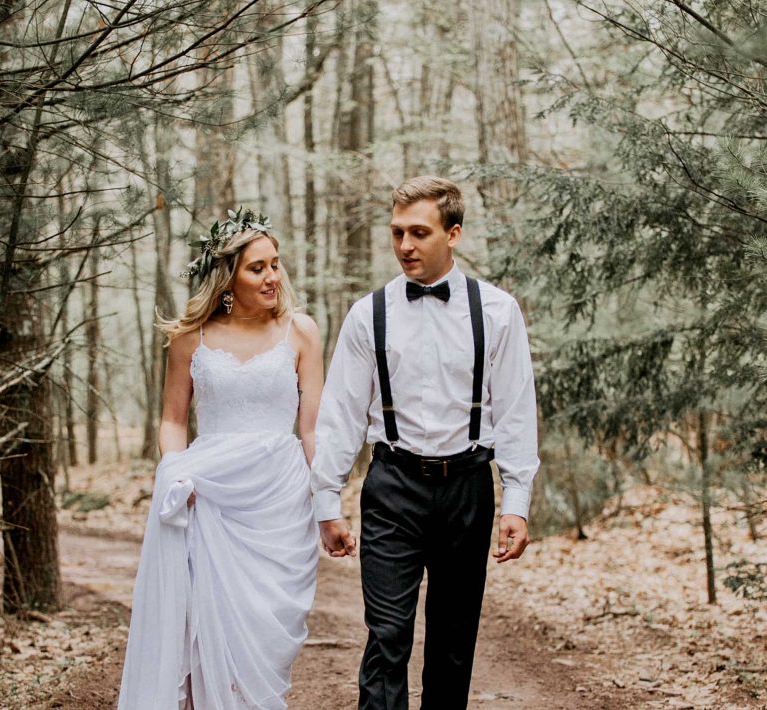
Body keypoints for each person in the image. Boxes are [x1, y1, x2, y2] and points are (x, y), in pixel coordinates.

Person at [311, 176, 539, 709]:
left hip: (468, 489)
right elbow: (341, 414)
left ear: (453, 233)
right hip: (392, 488)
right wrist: (328, 500)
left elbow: (515, 412)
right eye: (397, 233)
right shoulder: (368, 314)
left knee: (453, 646)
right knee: (387, 638)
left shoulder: (498, 312)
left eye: (419, 232)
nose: (405, 246)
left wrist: (518, 502)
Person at [118, 209, 322, 710]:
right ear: (228, 276)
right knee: (202, 628)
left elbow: (313, 428)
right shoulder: (192, 338)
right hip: (208, 494)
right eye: (257, 268)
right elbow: (172, 420)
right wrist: (177, 472)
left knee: (263, 630)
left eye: (275, 264)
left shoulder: (302, 332)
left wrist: (329, 503)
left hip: (280, 498)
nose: (272, 276)